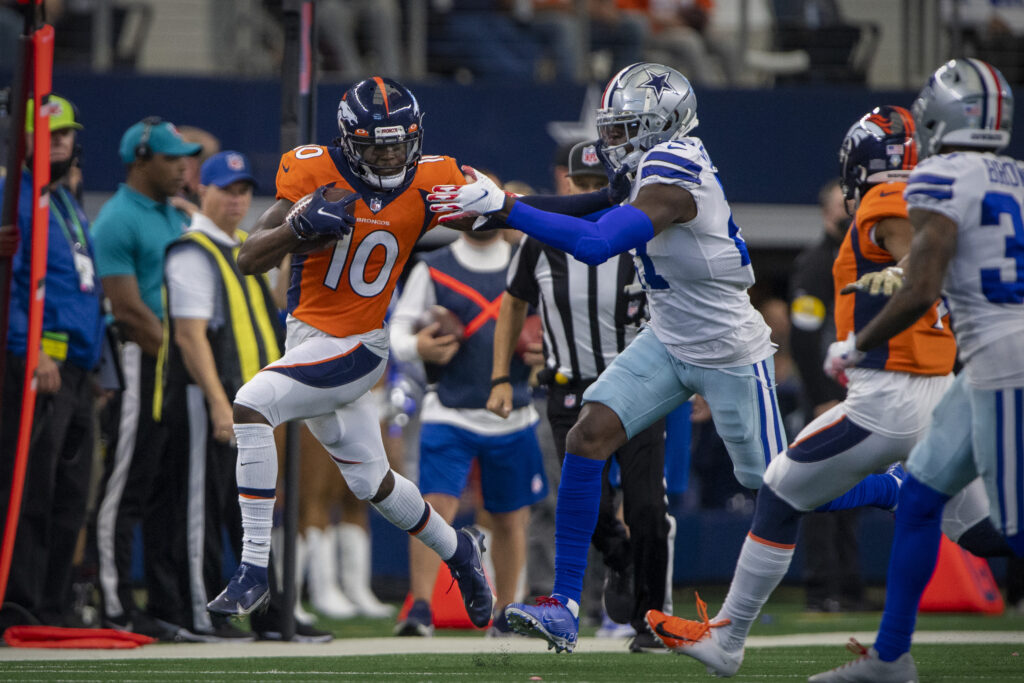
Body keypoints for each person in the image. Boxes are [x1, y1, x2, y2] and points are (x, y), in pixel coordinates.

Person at [429, 62, 787, 653]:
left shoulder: (676, 175)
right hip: (670, 337)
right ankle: (565, 606)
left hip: (727, 347)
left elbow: (596, 245)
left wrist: (509, 210)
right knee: (588, 436)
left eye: (624, 128)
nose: (611, 141)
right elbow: (590, 205)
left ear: (661, 124)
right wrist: (497, 205)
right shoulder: (651, 165)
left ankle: (895, 484)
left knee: (778, 482)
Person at [642, 103, 1006, 676]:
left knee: (779, 489)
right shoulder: (939, 200)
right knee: (984, 533)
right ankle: (887, 658)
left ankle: (728, 639)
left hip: (891, 395)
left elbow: (918, 262)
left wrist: (889, 301)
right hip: (938, 392)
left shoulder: (890, 198)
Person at [205, 77, 493, 631]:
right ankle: (461, 552)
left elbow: (503, 210)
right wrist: (295, 228)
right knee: (375, 485)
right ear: (348, 140)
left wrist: (519, 204)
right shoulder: (314, 172)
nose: (387, 155)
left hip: (360, 345)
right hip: (309, 341)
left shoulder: (434, 180)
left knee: (251, 404)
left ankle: (254, 569)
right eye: (374, 144)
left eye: (396, 143)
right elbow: (249, 257)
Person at [810, 58, 1023, 682]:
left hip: (1003, 359)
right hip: (980, 362)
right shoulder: (1014, 175)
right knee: (924, 495)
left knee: (1013, 526)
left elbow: (923, 284)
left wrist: (856, 344)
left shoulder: (934, 179)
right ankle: (891, 656)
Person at [489, 138, 673, 652]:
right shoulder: (541, 240)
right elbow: (512, 305)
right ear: (566, 184)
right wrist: (500, 377)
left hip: (640, 389)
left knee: (647, 510)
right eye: (584, 184)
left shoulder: (645, 233)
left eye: (601, 184)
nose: (593, 193)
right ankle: (623, 563)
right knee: (587, 509)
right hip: (570, 390)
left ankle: (649, 619)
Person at [390, 228, 548, 637]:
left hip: (513, 413)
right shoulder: (435, 265)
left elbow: (556, 322)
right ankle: (421, 609)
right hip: (449, 410)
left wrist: (546, 351)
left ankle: (506, 612)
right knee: (431, 511)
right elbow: (398, 330)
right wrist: (418, 347)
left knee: (510, 518)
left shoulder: (525, 259)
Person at [90, 116, 203, 639]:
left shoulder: (175, 217)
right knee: (125, 491)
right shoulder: (117, 219)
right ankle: (113, 604)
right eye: (172, 158)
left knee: (169, 494)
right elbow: (128, 310)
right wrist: (185, 356)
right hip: (140, 365)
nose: (184, 167)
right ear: (141, 161)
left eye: (185, 157)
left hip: (174, 371)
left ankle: (166, 604)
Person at [158, 150, 277, 640]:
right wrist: (215, 401)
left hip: (250, 400)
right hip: (210, 398)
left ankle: (270, 614)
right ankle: (198, 611)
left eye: (244, 189)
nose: (237, 198)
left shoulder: (246, 245)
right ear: (201, 191)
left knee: (250, 510)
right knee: (199, 511)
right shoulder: (193, 250)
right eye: (226, 189)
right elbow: (190, 334)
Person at [0, 95, 105, 629]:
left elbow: (83, 288)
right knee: (32, 490)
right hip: (41, 366)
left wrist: (98, 364)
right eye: (52, 133)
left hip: (76, 371)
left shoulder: (61, 199)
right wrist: (32, 347)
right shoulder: (14, 199)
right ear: (28, 140)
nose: (62, 141)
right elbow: (11, 287)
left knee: (70, 496)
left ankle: (53, 603)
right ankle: (18, 603)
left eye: (67, 133)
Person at [789, 179, 865, 614]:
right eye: (841, 206)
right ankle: (822, 589)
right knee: (819, 492)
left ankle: (849, 587)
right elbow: (803, 336)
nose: (848, 212)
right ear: (824, 212)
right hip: (827, 394)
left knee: (854, 491)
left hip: (856, 391)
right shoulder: (818, 262)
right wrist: (819, 395)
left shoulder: (859, 258)